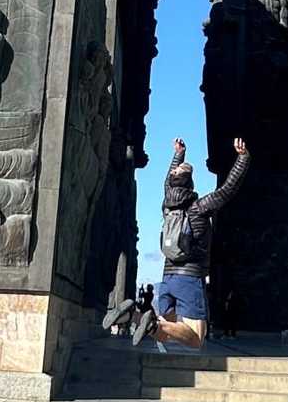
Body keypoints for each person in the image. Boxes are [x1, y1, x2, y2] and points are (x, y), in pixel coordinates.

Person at [103, 135, 250, 349]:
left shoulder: (167, 206)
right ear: (190, 182)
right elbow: (228, 189)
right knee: (196, 338)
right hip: (189, 277)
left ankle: (131, 315)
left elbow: (167, 182)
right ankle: (150, 322)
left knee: (165, 333)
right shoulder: (200, 207)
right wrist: (243, 158)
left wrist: (178, 155)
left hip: (167, 277)